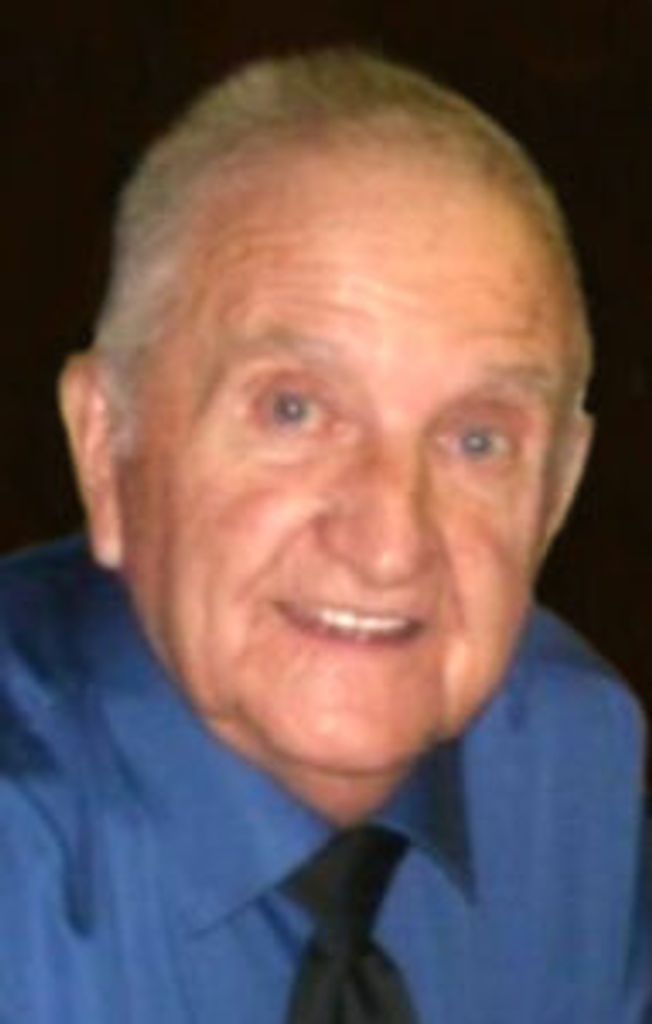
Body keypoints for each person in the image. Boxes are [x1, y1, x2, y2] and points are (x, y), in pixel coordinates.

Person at [0, 49, 649, 1022]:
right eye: (294, 410)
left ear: (555, 492)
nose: (389, 545)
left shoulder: (568, 761)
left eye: (477, 440)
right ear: (105, 446)